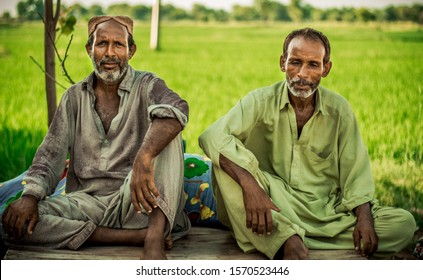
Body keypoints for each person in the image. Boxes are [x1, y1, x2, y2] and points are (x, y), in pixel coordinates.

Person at [198, 27, 416, 260]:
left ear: (326, 68)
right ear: (282, 63)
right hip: (272, 202)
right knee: (226, 167)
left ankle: (283, 236)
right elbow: (211, 137)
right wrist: (251, 186)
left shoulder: (339, 110)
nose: (302, 74)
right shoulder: (260, 100)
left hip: (326, 211)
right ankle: (286, 239)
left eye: (313, 64)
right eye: (295, 62)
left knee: (403, 224)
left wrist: (364, 218)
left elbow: (356, 172)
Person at [1, 15, 190, 260]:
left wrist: (143, 156)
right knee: (11, 223)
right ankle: (129, 237)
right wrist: (30, 197)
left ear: (131, 51)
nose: (109, 53)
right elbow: (49, 157)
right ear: (89, 49)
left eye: (118, 45)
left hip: (140, 205)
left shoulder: (148, 85)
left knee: (168, 126)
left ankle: (152, 238)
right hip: (86, 205)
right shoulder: (73, 97)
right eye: (101, 44)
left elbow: (178, 110)